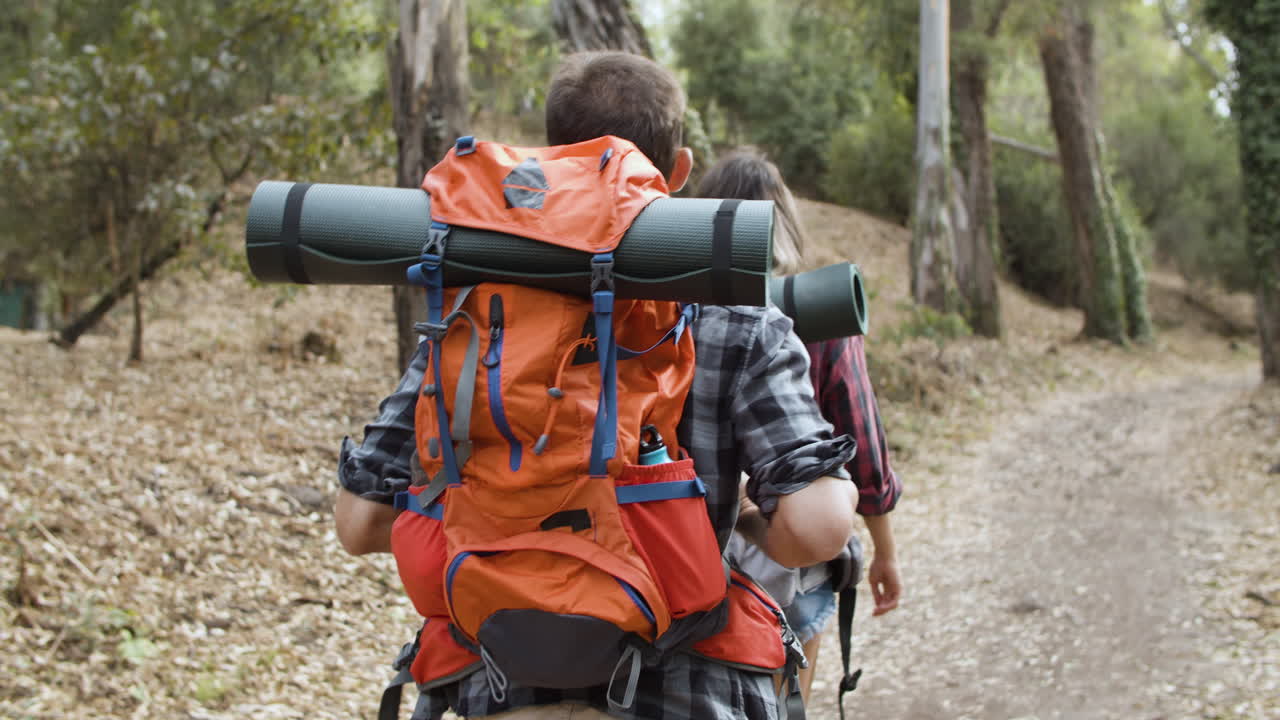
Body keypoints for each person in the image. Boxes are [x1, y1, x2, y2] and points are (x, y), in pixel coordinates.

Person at [333, 51, 859, 720]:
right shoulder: (734, 314)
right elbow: (818, 530)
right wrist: (745, 524)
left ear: (557, 160)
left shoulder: (473, 311)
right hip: (687, 692)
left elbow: (360, 522)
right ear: (679, 172)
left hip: (493, 691)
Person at [697, 148, 904, 705]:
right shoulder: (820, 315)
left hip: (686, 556)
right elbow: (861, 446)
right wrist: (883, 552)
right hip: (794, 557)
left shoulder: (664, 312)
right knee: (788, 700)